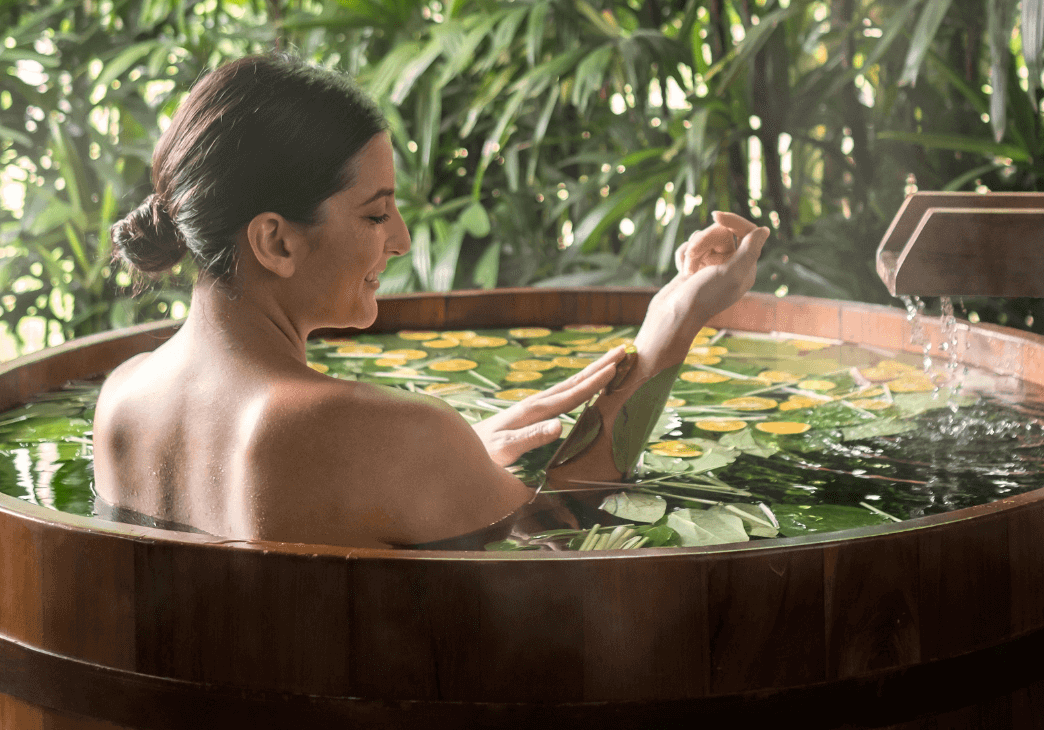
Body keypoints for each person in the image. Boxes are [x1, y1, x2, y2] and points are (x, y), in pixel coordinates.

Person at [94, 52, 769, 549]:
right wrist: (672, 322)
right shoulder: (364, 433)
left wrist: (454, 461)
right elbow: (565, 524)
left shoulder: (121, 401)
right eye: (374, 214)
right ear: (275, 240)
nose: (403, 240)